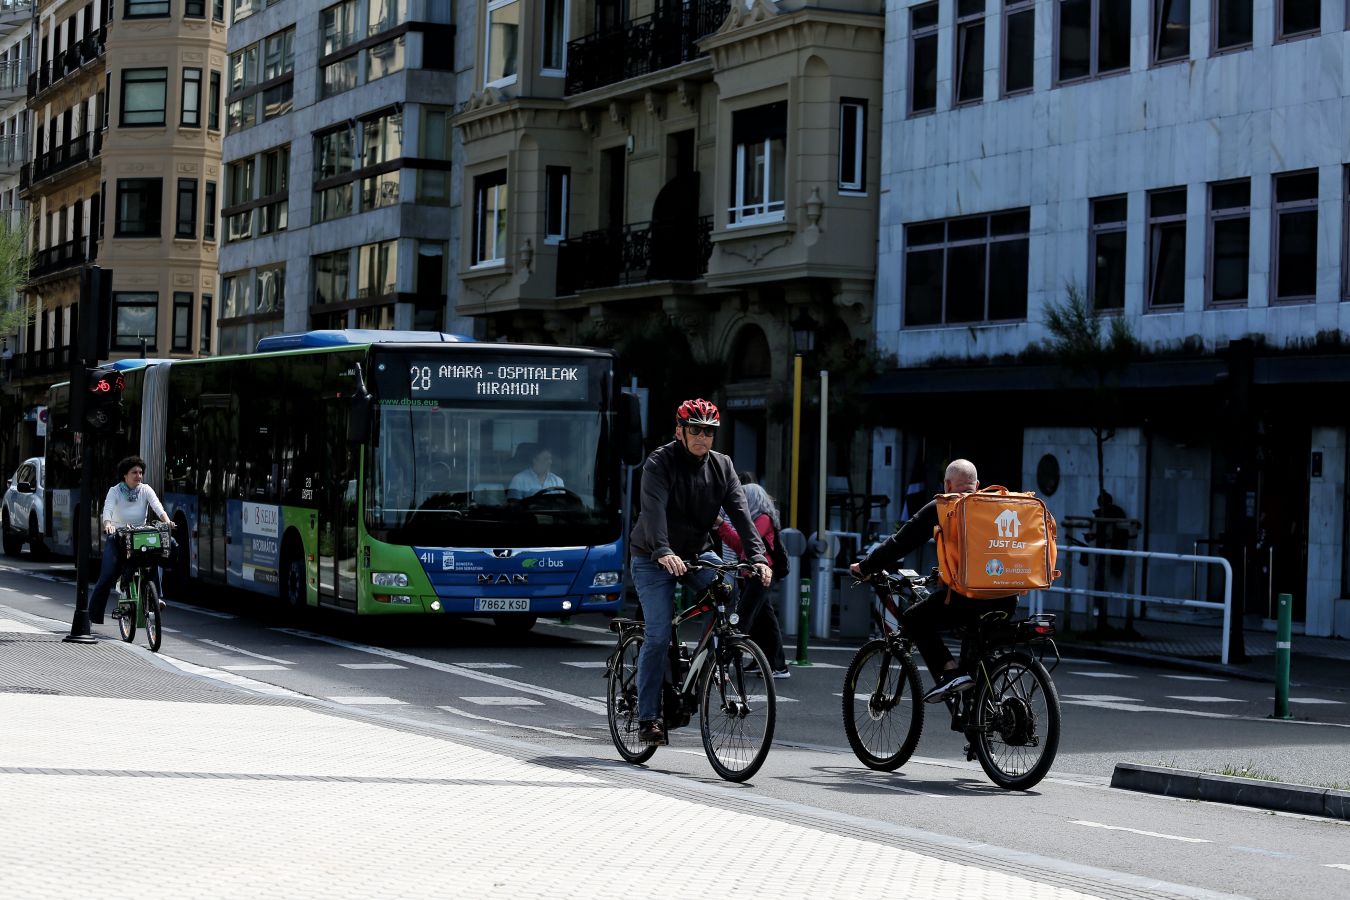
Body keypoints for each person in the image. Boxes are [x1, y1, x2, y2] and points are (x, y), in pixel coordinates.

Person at [628, 398, 771, 746]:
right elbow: (653, 512)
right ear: (679, 431)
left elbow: (741, 515)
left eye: (709, 431)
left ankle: (704, 665)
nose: (702, 437)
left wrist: (758, 557)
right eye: (695, 430)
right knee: (658, 634)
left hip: (696, 553)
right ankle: (648, 717)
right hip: (652, 555)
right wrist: (663, 551)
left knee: (727, 588)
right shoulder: (659, 463)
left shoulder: (722, 466)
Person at [849, 459, 1018, 704]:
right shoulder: (999, 505)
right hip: (1007, 600)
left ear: (947, 484)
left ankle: (950, 671)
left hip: (968, 601)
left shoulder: (945, 506)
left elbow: (901, 542)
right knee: (978, 653)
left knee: (914, 618)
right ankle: (982, 714)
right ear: (978, 485)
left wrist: (865, 567)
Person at [89, 456, 173, 625]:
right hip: (119, 535)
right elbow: (108, 510)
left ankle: (155, 598)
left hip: (139, 535)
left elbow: (158, 507)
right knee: (107, 575)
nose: (138, 476)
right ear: (125, 475)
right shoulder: (115, 491)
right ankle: (91, 616)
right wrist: (108, 525)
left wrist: (167, 521)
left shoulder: (146, 490)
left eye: (141, 472)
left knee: (155, 556)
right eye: (134, 472)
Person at [717, 482, 789, 678]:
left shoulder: (763, 519)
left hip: (760, 575)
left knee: (743, 617)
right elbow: (740, 546)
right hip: (753, 575)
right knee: (763, 620)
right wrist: (721, 526)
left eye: (743, 498)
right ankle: (775, 664)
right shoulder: (757, 520)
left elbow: (744, 545)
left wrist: (722, 525)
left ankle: (724, 661)